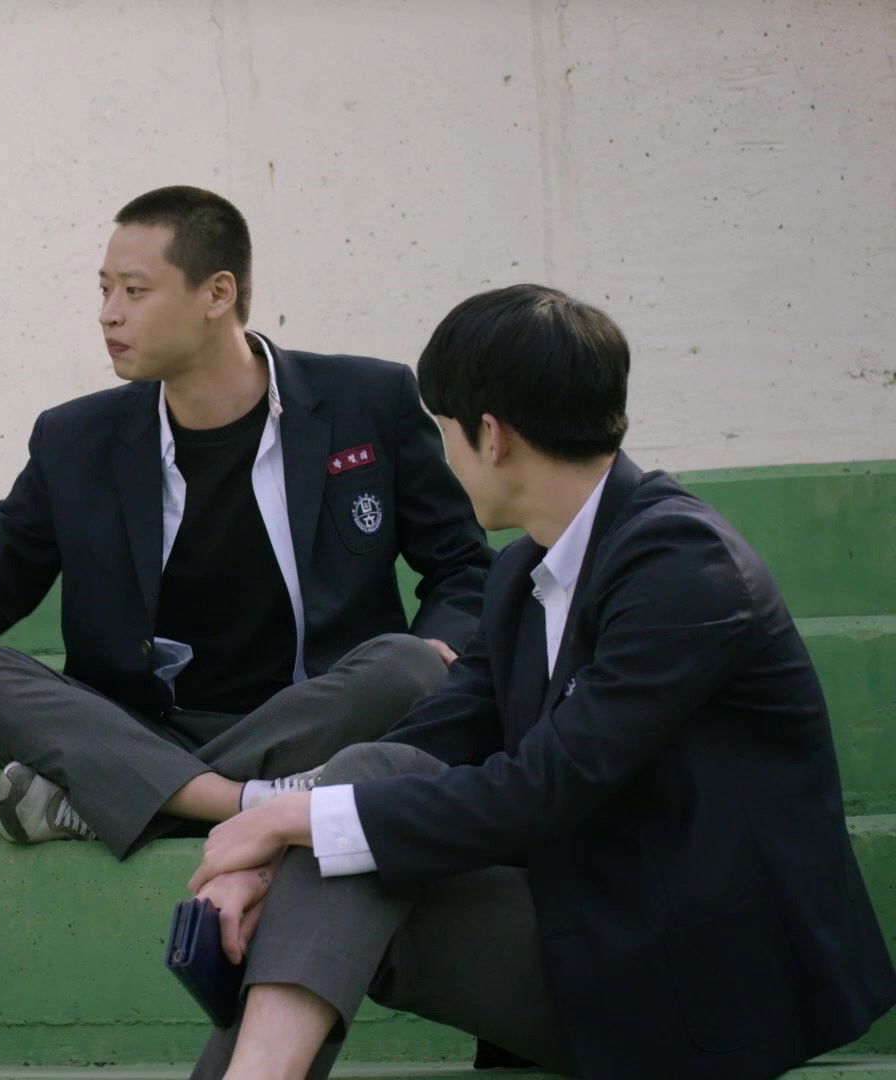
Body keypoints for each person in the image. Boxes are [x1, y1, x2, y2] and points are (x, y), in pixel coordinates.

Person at [185, 285, 896, 1080]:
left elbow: (544, 786)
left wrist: (291, 822)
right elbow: (433, 736)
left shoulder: (685, 569)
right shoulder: (522, 574)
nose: (444, 458)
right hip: (595, 928)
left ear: (491, 436)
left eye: (444, 432)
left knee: (346, 839)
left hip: (701, 983)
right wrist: (275, 847)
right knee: (362, 796)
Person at [0, 186, 491, 858]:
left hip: (315, 717)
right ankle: (253, 803)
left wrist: (444, 642)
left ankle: (124, 799)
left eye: (134, 291)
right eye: (105, 290)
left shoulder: (366, 400)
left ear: (217, 294)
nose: (109, 314)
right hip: (144, 727)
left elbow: (463, 565)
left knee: (409, 665)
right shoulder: (75, 439)